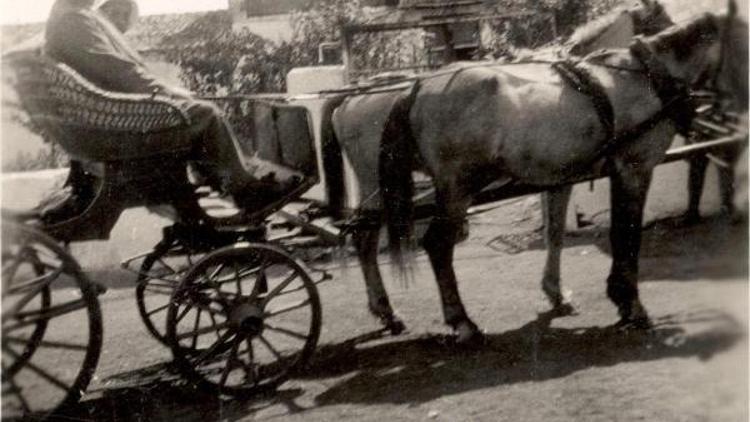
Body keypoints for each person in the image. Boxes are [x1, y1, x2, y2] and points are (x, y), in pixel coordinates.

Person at [41, 0, 301, 219]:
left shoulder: (67, 17)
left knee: (196, 112)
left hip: (102, 128)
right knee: (205, 114)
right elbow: (119, 72)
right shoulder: (73, 22)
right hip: (114, 132)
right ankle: (245, 192)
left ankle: (227, 183)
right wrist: (169, 93)